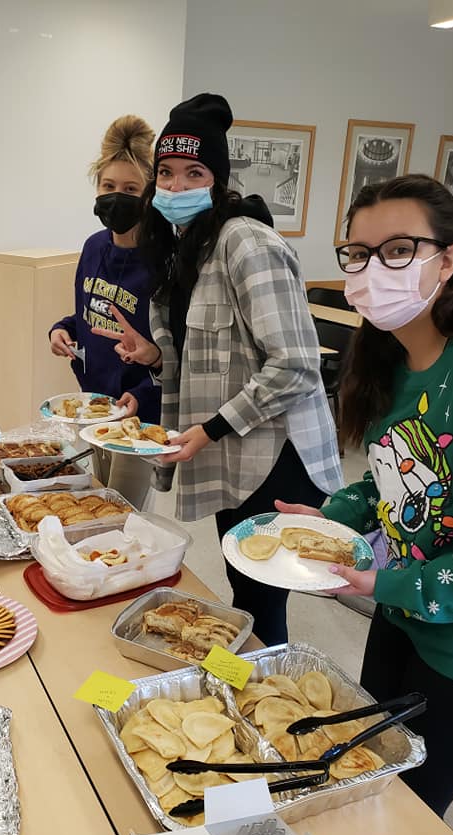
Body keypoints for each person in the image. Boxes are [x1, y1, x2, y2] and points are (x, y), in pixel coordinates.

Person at [277, 173, 453, 817]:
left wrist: (381, 584)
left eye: (398, 250)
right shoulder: (390, 359)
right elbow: (394, 478)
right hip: (402, 616)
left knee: (404, 812)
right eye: (359, 253)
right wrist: (325, 518)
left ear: (450, 258)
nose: (374, 270)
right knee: (362, 776)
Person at [94, 94, 342, 645]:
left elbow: (296, 365)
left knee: (258, 589)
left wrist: (208, 429)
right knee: (241, 578)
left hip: (275, 454)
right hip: (232, 450)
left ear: (218, 179)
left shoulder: (246, 242)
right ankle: (244, 681)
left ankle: (259, 700)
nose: (177, 187)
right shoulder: (185, 247)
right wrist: (156, 355)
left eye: (193, 173)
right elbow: (209, 354)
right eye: (166, 173)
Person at [49, 115, 160, 509]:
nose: (117, 196)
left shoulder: (162, 260)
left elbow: (175, 351)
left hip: (137, 411)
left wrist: (145, 391)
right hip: (91, 405)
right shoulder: (94, 246)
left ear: (149, 195)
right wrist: (62, 330)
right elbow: (87, 314)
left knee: (124, 513)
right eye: (108, 186)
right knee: (88, 501)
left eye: (131, 188)